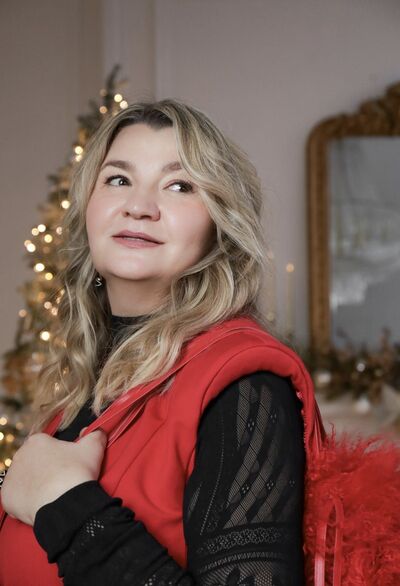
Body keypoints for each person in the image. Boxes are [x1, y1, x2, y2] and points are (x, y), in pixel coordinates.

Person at [0, 99, 324, 585]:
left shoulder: (244, 387)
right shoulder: (89, 384)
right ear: (88, 207)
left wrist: (66, 503)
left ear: (219, 225)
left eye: (179, 185)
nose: (139, 206)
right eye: (118, 179)